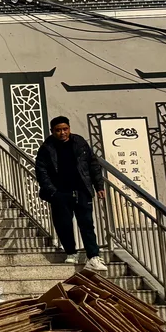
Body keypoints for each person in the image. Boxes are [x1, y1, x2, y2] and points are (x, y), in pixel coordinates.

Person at [34, 115, 108, 271]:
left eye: (65, 129)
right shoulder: (47, 148)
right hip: (60, 193)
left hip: (82, 190)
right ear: (52, 131)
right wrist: (52, 192)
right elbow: (41, 171)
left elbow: (92, 164)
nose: (62, 133)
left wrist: (99, 186)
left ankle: (93, 256)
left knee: (87, 224)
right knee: (64, 225)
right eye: (58, 130)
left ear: (69, 128)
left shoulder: (79, 142)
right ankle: (71, 252)